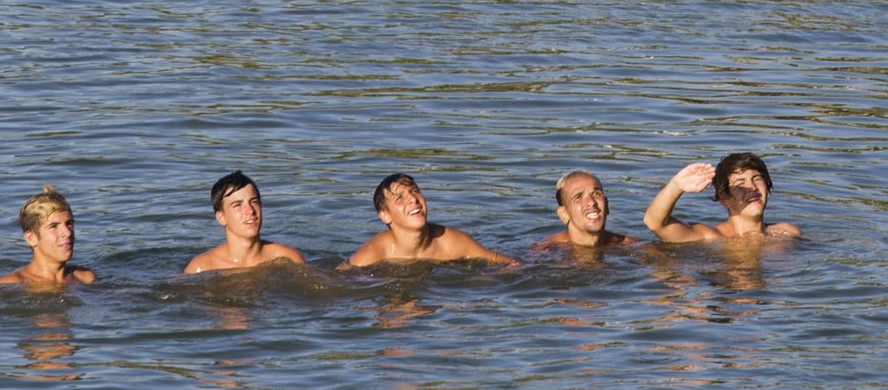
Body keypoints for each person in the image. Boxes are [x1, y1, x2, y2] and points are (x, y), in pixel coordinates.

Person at [345, 173, 520, 267]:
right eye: (399, 198)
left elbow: (507, 261)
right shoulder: (375, 252)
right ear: (385, 215)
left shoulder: (451, 241)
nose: (413, 199)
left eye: (415, 191)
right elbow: (339, 279)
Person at [643, 153, 801, 242]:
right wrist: (676, 186)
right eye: (740, 183)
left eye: (757, 178)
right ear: (724, 198)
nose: (752, 188)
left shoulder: (787, 233)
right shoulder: (709, 238)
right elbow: (654, 223)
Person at [184, 170, 306, 274]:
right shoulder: (202, 267)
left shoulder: (290, 259)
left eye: (254, 201)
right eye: (237, 205)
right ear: (221, 217)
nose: (250, 210)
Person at [0, 186, 98, 287]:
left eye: (69, 224)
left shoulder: (86, 278)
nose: (68, 233)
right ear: (31, 238)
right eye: (53, 226)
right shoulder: (12, 283)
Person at [530, 170, 640, 251]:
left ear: (607, 206)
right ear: (564, 214)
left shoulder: (628, 245)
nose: (591, 202)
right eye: (578, 197)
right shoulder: (547, 251)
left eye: (596, 194)